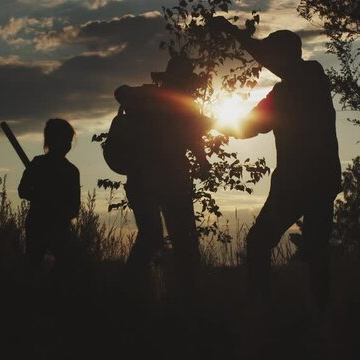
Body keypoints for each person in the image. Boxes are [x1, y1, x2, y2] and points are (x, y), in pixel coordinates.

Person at [210, 17, 342, 310]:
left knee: (260, 244)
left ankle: (262, 308)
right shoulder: (303, 82)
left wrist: (234, 34)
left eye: (274, 54)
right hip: (318, 181)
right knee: (317, 249)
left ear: (286, 55)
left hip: (298, 184)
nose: (269, 61)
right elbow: (249, 126)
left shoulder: (307, 75)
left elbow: (249, 126)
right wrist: (217, 124)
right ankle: (321, 314)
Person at [114, 55, 212, 299]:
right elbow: (192, 138)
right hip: (167, 179)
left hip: (146, 179)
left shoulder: (148, 98)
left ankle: (129, 294)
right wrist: (202, 163)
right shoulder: (176, 103)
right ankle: (181, 298)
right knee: (182, 242)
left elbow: (120, 92)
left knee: (154, 238)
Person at [18, 118, 80, 273]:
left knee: (61, 269)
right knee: (34, 265)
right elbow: (22, 190)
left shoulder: (70, 171)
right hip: (38, 225)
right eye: (66, 139)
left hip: (59, 228)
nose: (68, 144)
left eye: (70, 141)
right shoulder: (38, 165)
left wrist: (58, 208)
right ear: (53, 140)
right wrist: (40, 196)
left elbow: (74, 208)